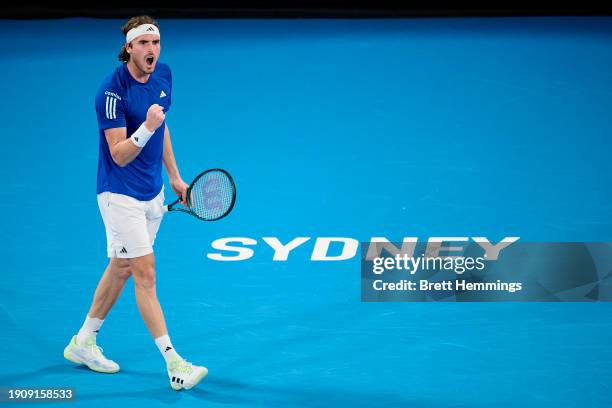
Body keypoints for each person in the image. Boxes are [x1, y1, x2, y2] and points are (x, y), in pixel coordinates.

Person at [63, 15, 208, 391]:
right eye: (143, 43)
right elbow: (119, 154)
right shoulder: (110, 93)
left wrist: (174, 175)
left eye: (155, 43)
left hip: (152, 193)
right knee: (146, 273)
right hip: (119, 195)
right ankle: (175, 364)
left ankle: (83, 342)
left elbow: (162, 126)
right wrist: (145, 125)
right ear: (128, 47)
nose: (151, 50)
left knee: (122, 267)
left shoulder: (164, 76)